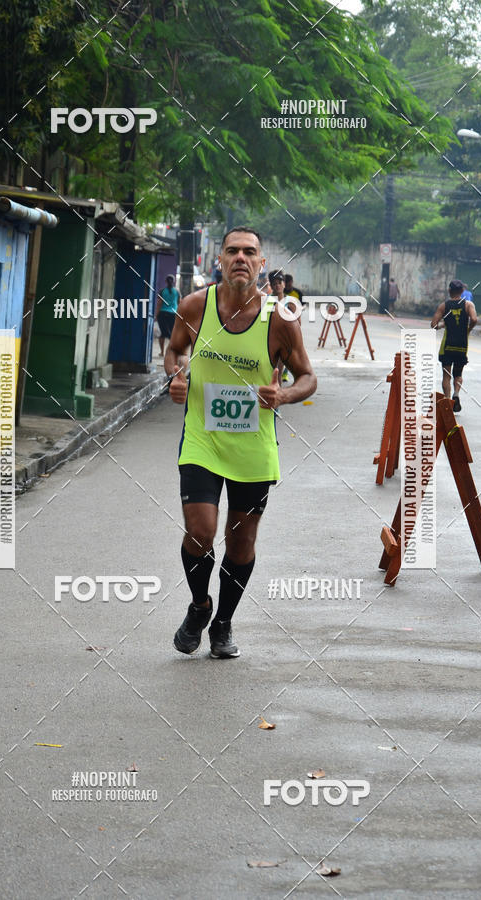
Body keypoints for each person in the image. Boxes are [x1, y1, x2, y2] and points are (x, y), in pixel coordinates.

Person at [165, 227, 317, 658]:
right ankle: (200, 606)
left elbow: (308, 377)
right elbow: (174, 350)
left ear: (261, 263)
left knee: (240, 542)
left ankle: (223, 623)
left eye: (250, 252)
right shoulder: (195, 306)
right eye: (232, 251)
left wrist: (283, 395)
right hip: (202, 440)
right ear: (220, 259)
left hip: (253, 446)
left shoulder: (280, 319)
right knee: (200, 531)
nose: (240, 258)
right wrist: (175, 375)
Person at [431, 278, 477, 413]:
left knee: (446, 375)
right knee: (458, 373)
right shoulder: (468, 305)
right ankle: (456, 394)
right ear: (462, 291)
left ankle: (447, 401)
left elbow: (433, 325)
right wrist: (468, 329)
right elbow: (474, 319)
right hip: (461, 346)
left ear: (449, 291)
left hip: (447, 346)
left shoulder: (444, 306)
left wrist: (442, 325)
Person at [156, 275, 180, 357]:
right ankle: (171, 352)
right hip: (173, 314)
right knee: (172, 334)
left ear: (166, 281)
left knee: (163, 333)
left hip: (163, 314)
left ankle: (162, 352)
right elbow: (179, 303)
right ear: (174, 281)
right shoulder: (177, 292)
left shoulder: (162, 291)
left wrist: (156, 315)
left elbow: (159, 304)